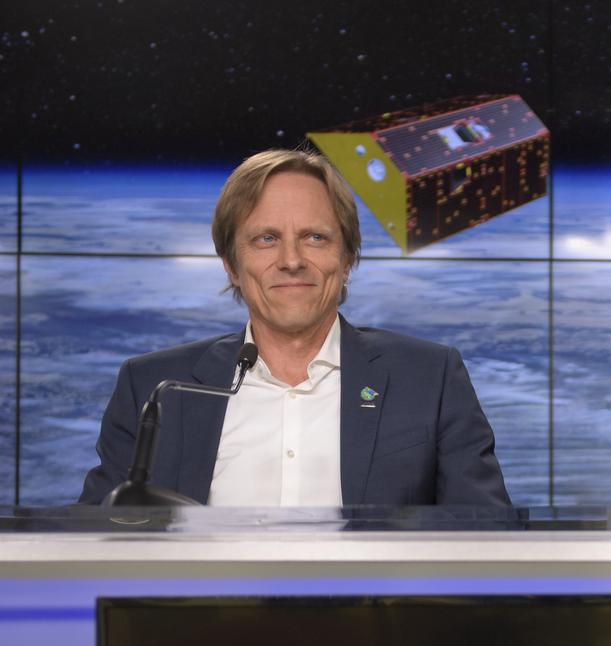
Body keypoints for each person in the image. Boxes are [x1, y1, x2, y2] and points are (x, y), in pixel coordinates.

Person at [80, 149, 510, 507]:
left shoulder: (429, 378)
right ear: (232, 265)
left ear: (347, 258)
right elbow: (97, 541)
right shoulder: (156, 388)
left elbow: (485, 543)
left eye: (315, 238)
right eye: (266, 238)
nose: (291, 260)